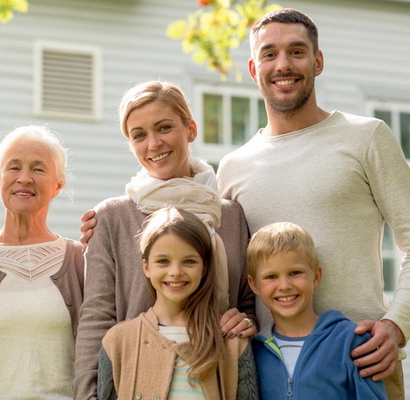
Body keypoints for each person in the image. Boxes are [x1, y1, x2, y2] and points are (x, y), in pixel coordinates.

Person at [216, 8, 409, 398]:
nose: (283, 65)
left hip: (362, 366)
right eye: (269, 54)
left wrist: (397, 324)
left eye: (297, 51)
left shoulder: (367, 137)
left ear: (317, 61)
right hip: (266, 375)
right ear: (254, 69)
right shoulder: (233, 167)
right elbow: (221, 265)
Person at [75, 81, 256, 399]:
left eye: (164, 128)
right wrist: (88, 394)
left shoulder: (231, 216)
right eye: (139, 135)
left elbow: (248, 302)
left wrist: (245, 321)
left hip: (213, 381)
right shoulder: (112, 217)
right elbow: (97, 316)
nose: (154, 143)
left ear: (190, 129)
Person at [0, 125, 84, 399]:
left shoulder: (81, 260)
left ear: (58, 185)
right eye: (13, 167)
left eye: (38, 168)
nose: (24, 178)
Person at [98, 207, 258, 400]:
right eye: (163, 261)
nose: (175, 272)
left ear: (204, 268)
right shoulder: (117, 341)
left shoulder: (232, 343)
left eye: (189, 261)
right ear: (146, 266)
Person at [246, 222, 387, 399]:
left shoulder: (350, 340)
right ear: (254, 285)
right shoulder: (255, 351)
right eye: (271, 276)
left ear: (316, 276)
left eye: (295, 273)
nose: (284, 286)